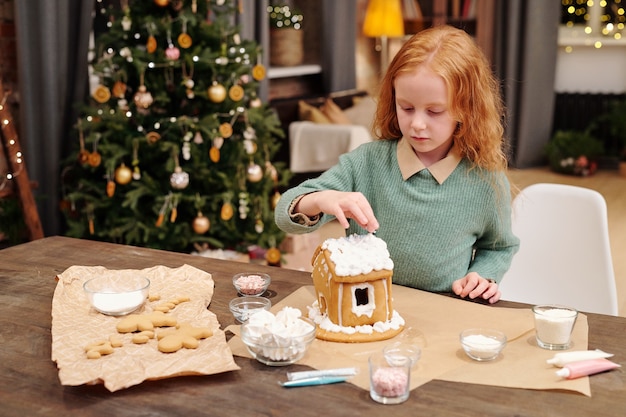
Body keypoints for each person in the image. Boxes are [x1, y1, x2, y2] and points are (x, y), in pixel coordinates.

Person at [274, 25, 519, 304]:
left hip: (441, 312)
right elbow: (285, 214)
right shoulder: (366, 162)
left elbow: (499, 248)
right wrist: (322, 199)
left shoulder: (486, 180)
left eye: (434, 111)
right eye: (407, 107)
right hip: (362, 310)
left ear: (466, 107)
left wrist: (482, 275)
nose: (417, 123)